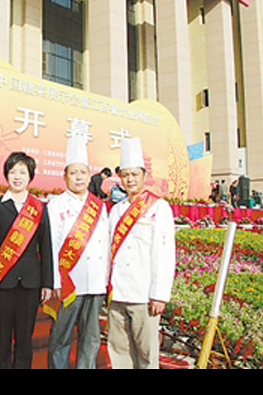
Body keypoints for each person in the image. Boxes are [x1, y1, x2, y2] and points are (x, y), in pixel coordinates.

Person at [108, 138, 176, 370]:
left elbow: (164, 254)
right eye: (125, 175)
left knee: (146, 354)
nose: (130, 180)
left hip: (143, 295)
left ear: (144, 176)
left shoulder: (159, 207)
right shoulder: (116, 210)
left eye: (134, 174)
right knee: (119, 351)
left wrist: (159, 295)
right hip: (118, 294)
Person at [0, 152, 54, 369]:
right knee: (1, 337)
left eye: (22, 172)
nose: (17, 177)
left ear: (30, 176)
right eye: (13, 172)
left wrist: (47, 283)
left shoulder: (39, 208)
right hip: (3, 281)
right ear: (6, 175)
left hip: (31, 283)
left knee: (24, 338)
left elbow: (46, 247)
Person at [46, 135, 110, 369]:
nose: (79, 177)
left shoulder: (99, 206)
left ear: (89, 175)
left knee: (90, 338)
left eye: (83, 172)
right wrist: (55, 281)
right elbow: (51, 245)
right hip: (68, 283)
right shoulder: (56, 205)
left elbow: (106, 245)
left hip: (95, 283)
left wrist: (105, 279)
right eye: (73, 173)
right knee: (60, 337)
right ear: (65, 176)